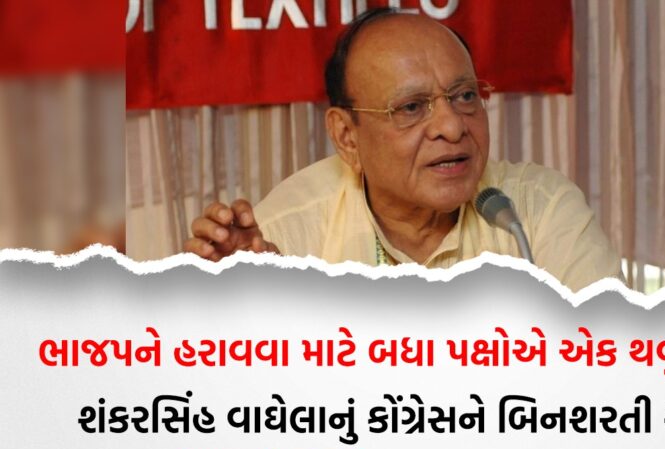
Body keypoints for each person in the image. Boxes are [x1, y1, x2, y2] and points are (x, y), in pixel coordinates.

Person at [184, 8, 620, 291]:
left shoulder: (534, 213)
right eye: (411, 107)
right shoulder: (286, 235)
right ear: (347, 136)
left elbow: (610, 369)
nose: (452, 126)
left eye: (465, 96)